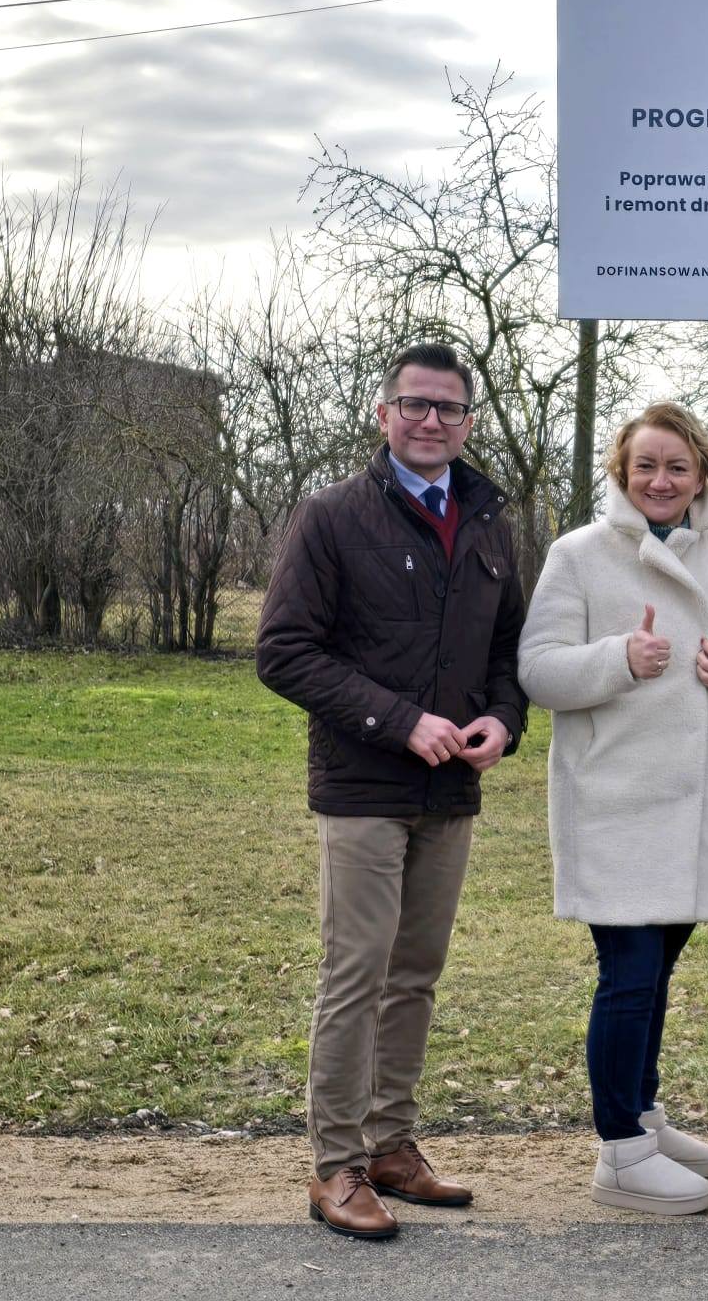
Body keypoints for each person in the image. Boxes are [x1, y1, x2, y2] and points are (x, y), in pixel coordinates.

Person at [256, 341, 528, 1240]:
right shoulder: (331, 517)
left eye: (448, 409)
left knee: (414, 975)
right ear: (383, 414)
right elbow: (286, 652)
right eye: (414, 404)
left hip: (450, 793)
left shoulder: (489, 521)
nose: (430, 421)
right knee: (356, 973)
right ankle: (335, 1164)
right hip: (365, 785)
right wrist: (401, 721)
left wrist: (502, 720)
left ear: (469, 423)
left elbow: (505, 655)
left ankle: (392, 1147)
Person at [518, 401, 708, 1216]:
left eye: (676, 466)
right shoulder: (580, 554)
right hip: (618, 801)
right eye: (645, 466)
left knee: (658, 972)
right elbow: (538, 671)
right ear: (620, 474)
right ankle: (620, 1153)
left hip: (702, 803)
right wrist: (617, 659)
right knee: (628, 978)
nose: (660, 480)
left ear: (703, 472)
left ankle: (643, 1114)